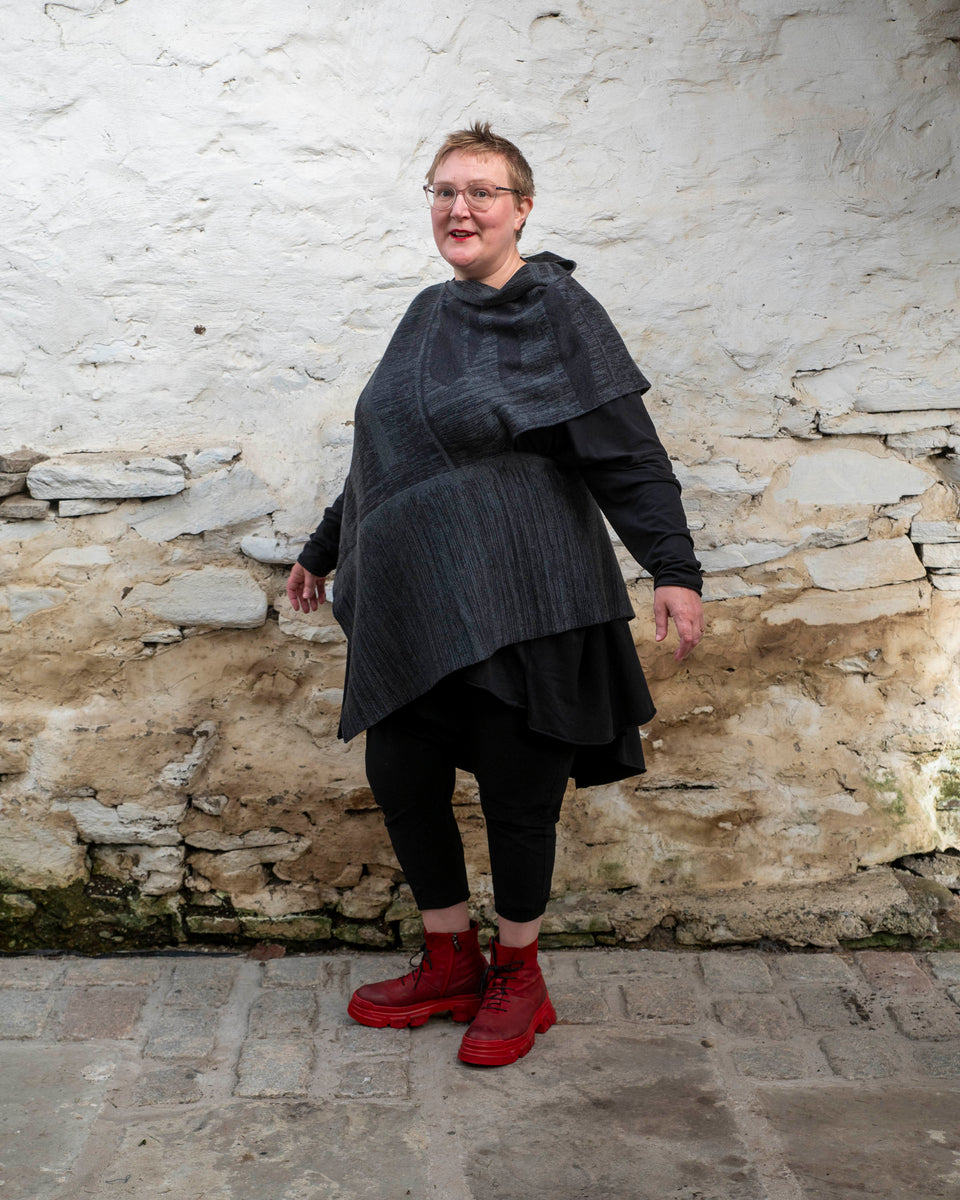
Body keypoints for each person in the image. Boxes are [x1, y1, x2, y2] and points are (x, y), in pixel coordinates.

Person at [286, 122, 704, 1068]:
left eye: (481, 192)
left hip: (527, 599)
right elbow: (386, 454)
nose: (460, 209)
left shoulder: (561, 313)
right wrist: (324, 547)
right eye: (444, 191)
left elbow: (627, 454)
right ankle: (449, 961)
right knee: (403, 778)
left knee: (519, 797)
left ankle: (520, 975)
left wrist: (673, 570)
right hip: (419, 602)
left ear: (522, 209)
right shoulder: (426, 313)